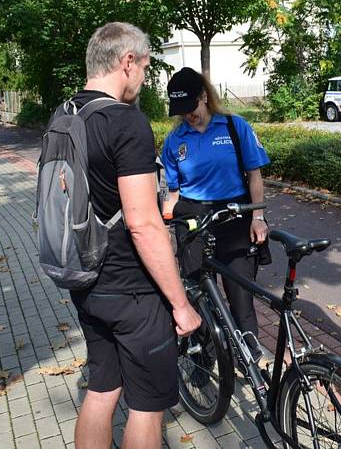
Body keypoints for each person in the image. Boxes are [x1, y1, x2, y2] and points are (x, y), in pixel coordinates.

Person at [69, 23, 200, 449]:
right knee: (146, 405)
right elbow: (144, 225)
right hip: (134, 293)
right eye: (144, 67)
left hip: (85, 280)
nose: (144, 77)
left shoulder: (67, 114)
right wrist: (180, 305)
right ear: (127, 62)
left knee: (102, 389)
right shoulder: (125, 121)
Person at [161, 67, 269, 361]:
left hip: (235, 215)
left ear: (204, 97)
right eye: (180, 111)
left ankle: (250, 358)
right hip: (193, 218)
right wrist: (165, 225)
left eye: (191, 107)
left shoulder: (235, 127)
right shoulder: (174, 141)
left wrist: (258, 218)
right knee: (197, 293)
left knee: (240, 293)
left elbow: (255, 176)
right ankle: (205, 358)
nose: (187, 115)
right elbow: (173, 193)